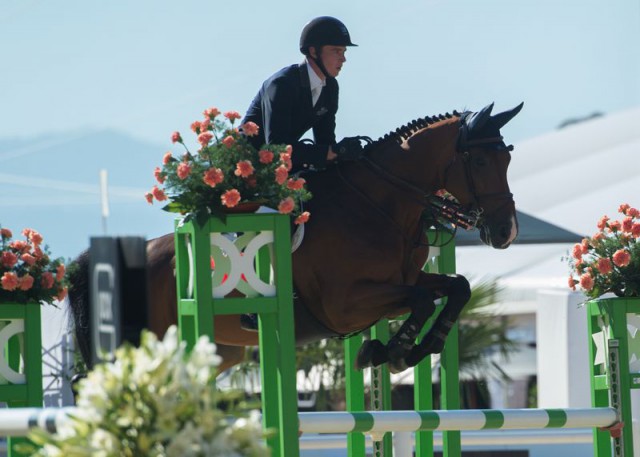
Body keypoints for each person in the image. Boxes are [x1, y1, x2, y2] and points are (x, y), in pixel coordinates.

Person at [242, 16, 365, 173]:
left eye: (344, 51)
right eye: (336, 51)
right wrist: (332, 152)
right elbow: (275, 146)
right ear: (313, 51)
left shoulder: (330, 87)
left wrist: (343, 154)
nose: (343, 59)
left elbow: (325, 140)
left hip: (279, 168)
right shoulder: (282, 84)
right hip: (243, 167)